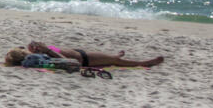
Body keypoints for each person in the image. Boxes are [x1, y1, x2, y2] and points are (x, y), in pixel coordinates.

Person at [22, 41, 163, 69]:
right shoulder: (45, 56)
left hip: (81, 53)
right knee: (116, 61)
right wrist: (47, 50)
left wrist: (39, 46)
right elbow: (67, 60)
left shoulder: (42, 51)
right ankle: (145, 62)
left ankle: (115, 55)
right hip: (85, 59)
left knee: (112, 58)